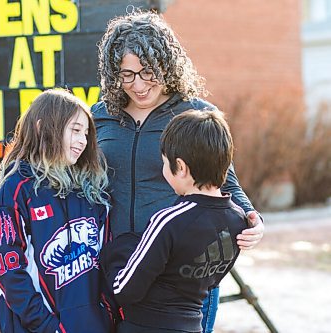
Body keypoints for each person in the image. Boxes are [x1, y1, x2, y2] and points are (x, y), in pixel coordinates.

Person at [92, 9, 264, 332]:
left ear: (166, 66)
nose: (138, 85)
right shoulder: (100, 116)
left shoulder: (197, 114)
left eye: (147, 72)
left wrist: (253, 217)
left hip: (182, 277)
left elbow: (226, 181)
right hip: (122, 268)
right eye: (127, 74)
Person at [101, 109, 247, 333]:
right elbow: (210, 281)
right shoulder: (238, 221)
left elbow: (125, 290)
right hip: (191, 325)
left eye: (164, 163)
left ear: (180, 167)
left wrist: (116, 253)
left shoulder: (168, 221)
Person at [0, 89, 116, 333]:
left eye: (86, 134)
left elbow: (107, 261)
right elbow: (7, 268)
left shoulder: (91, 192)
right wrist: (46, 326)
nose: (83, 141)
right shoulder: (16, 191)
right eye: (75, 130)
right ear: (42, 128)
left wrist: (106, 316)